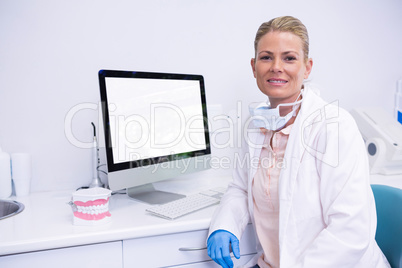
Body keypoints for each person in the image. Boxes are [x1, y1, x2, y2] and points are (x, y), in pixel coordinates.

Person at [207, 16, 390, 268]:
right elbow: (240, 187)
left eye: (289, 58)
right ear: (253, 66)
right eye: (266, 57)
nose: (276, 67)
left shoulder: (334, 125)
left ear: (307, 67)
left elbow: (351, 231)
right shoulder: (255, 125)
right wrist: (225, 225)